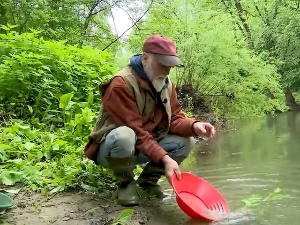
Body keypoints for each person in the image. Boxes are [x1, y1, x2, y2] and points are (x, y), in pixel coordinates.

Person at [84, 35, 216, 206]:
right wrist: (166, 159)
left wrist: (195, 126)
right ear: (145, 58)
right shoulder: (121, 84)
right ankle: (125, 184)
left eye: (170, 65)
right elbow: (136, 132)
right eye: (162, 63)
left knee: (187, 141)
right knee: (125, 135)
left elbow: (175, 119)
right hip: (112, 150)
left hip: (142, 146)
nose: (167, 71)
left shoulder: (166, 84)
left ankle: (147, 183)